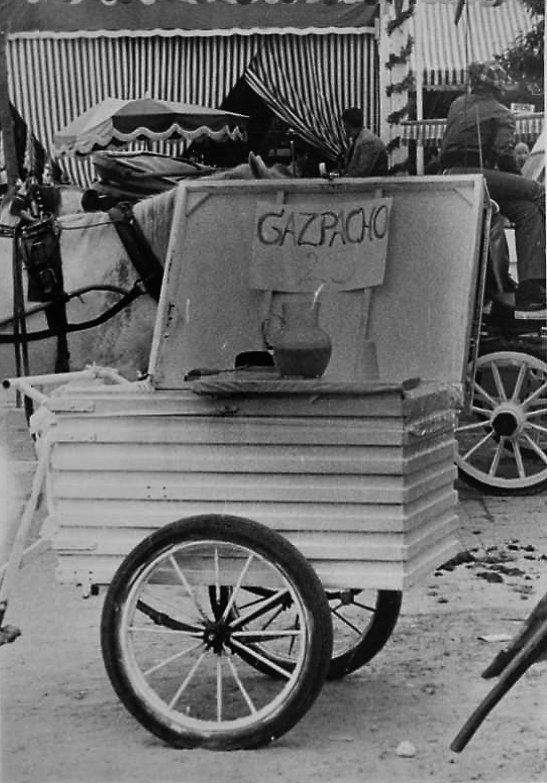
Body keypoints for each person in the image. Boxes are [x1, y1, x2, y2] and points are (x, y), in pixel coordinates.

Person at [440, 61, 546, 319]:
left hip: (451, 174)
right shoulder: (501, 113)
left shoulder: (457, 104)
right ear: (498, 89)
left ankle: (531, 286)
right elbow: (503, 153)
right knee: (537, 192)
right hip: (477, 175)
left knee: (526, 211)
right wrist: (517, 181)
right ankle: (534, 285)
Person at [339, 107, 388, 177]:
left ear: (347, 124)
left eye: (344, 125)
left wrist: (341, 178)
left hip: (371, 186)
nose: (344, 128)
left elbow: (361, 173)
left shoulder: (368, 141)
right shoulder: (359, 139)